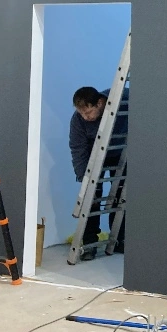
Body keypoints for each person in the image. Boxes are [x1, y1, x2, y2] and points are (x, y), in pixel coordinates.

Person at [69, 85, 128, 261]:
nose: (85, 117)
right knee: (91, 200)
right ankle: (89, 245)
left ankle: (119, 240)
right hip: (94, 158)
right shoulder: (78, 121)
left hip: (119, 154)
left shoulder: (120, 100)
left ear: (100, 103)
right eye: (81, 113)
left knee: (120, 197)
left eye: (88, 112)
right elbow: (77, 149)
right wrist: (84, 178)